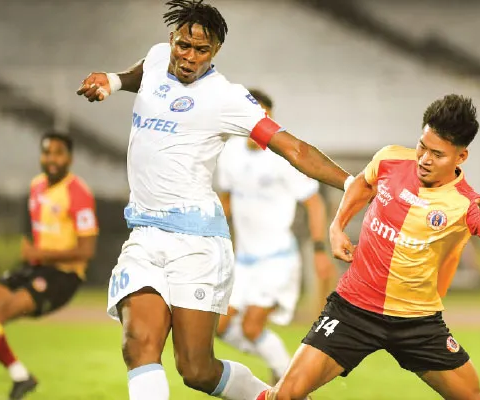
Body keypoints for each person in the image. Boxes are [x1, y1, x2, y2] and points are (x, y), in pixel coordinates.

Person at [75, 1, 352, 399]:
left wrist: (353, 182)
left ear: (216, 51)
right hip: (145, 235)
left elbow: (294, 149)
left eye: (201, 50)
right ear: (172, 39)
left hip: (197, 244)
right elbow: (142, 74)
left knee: (196, 369)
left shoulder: (227, 98)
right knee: (138, 345)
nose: (189, 57)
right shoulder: (158, 58)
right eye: (183, 45)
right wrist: (113, 81)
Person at [260, 94, 480, 400]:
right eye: (422, 147)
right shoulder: (390, 159)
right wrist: (337, 226)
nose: (424, 159)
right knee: (285, 396)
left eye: (437, 154)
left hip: (417, 322)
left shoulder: (466, 203)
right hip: (353, 309)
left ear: (461, 157)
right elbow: (363, 183)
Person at [0, 133, 98, 399]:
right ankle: (21, 377)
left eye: (58, 153)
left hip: (63, 276)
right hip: (35, 267)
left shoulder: (78, 193)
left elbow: (87, 250)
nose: (52, 159)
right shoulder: (36, 186)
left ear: (70, 158)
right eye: (47, 152)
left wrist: (40, 253)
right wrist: (33, 253)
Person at [214, 88, 336, 384]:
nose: (258, 123)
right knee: (218, 327)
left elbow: (314, 203)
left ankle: (286, 383)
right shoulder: (230, 152)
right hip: (243, 261)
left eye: (264, 117)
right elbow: (225, 203)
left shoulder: (284, 156)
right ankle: (285, 372)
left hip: (277, 259)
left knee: (252, 327)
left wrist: (320, 250)